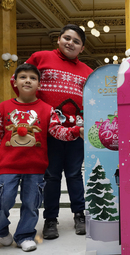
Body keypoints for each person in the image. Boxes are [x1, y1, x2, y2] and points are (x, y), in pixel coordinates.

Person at [11, 24, 93, 239]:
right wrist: (30, 107)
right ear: (58, 39)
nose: (70, 43)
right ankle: (50, 219)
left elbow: (93, 99)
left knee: (75, 174)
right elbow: (19, 78)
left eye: (76, 41)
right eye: (67, 38)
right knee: (52, 175)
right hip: (46, 131)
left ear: (82, 48)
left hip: (77, 131)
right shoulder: (41, 57)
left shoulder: (88, 71)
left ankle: (79, 215)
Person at [0, 64, 84, 252]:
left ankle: (25, 235)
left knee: (31, 204)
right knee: (3, 200)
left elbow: (56, 130)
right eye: (23, 77)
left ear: (39, 85)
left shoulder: (47, 109)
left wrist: (76, 131)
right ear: (15, 81)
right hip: (7, 166)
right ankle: (2, 230)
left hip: (36, 168)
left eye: (32, 78)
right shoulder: (3, 107)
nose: (27, 80)